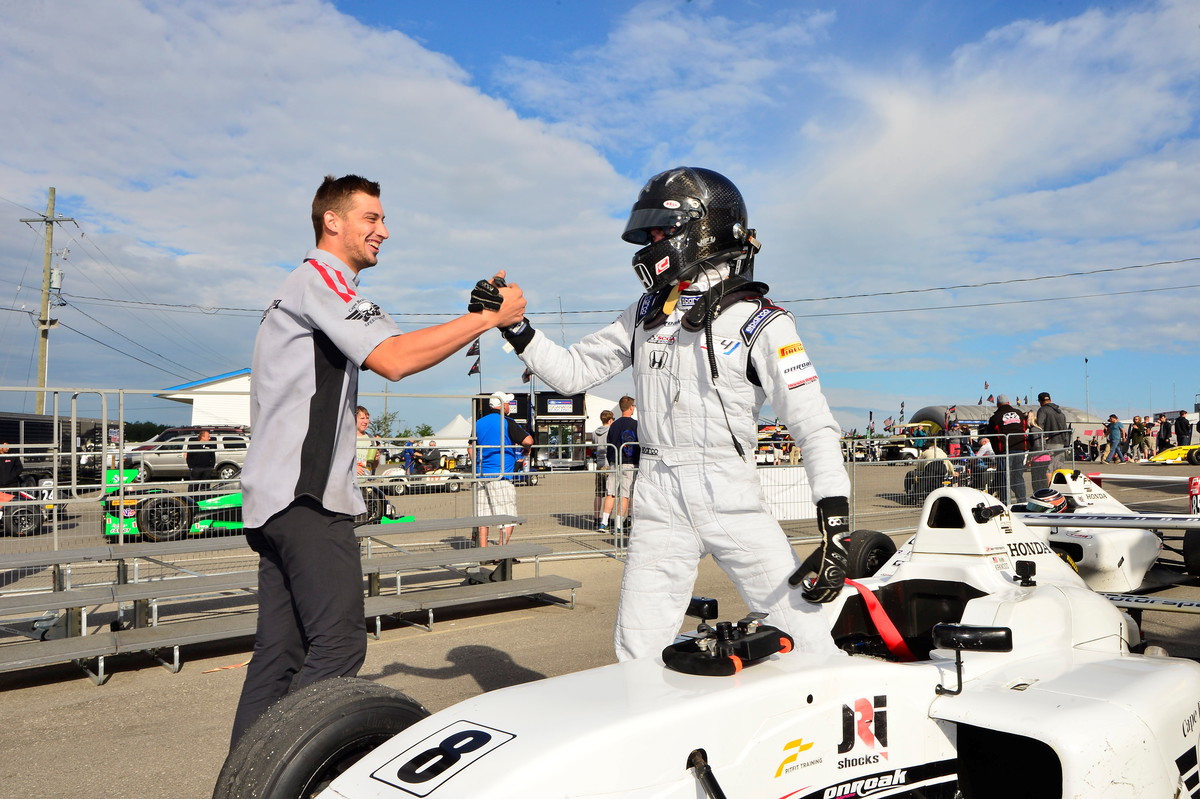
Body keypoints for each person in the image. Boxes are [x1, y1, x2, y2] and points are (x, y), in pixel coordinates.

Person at [499, 166, 852, 661]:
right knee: (638, 647)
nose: (652, 244)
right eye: (649, 235)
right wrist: (517, 329)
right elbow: (573, 372)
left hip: (729, 491)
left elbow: (812, 423)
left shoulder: (761, 321)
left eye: (661, 232)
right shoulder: (645, 313)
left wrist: (836, 522)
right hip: (658, 493)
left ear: (703, 229)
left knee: (808, 634)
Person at [228, 174, 525, 748]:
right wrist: (489, 319)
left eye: (383, 219)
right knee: (340, 646)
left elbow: (398, 349)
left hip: (275, 499)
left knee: (280, 654)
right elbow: (394, 357)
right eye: (371, 218)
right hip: (307, 496)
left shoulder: (300, 286)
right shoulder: (322, 280)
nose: (384, 230)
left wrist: (472, 316)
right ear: (331, 221)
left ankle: (247, 779)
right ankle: (286, 768)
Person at [474, 391, 533, 546]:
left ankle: (483, 551)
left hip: (481, 474)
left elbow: (470, 448)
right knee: (508, 516)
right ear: (501, 405)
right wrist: (526, 449)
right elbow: (528, 440)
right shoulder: (507, 421)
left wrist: (478, 464)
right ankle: (501, 552)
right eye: (507, 403)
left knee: (483, 517)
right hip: (501, 475)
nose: (509, 405)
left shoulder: (479, 423)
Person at [599, 396, 638, 533]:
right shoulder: (635, 424)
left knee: (611, 493)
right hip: (629, 462)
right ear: (631, 407)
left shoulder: (613, 425)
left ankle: (604, 522)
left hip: (614, 462)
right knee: (625, 495)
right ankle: (618, 525)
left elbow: (609, 443)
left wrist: (611, 460)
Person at [987, 395, 1028, 505]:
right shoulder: (1019, 413)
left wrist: (997, 451)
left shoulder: (995, 417)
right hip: (1020, 448)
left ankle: (1006, 503)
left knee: (1004, 477)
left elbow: (991, 435)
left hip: (1004, 450)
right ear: (1009, 402)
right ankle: (1022, 501)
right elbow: (1024, 428)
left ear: (997, 404)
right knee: (1018, 476)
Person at [1035, 392, 1071, 472]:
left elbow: (1039, 426)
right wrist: (1066, 443)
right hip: (1061, 443)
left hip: (1048, 443)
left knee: (1048, 469)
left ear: (1040, 401)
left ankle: (1048, 481)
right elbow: (1065, 429)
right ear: (1050, 400)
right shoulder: (1060, 412)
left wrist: (1041, 439)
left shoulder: (1042, 410)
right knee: (1058, 469)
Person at [593, 409, 614, 522]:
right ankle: (607, 518)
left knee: (598, 493)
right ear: (610, 420)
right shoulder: (611, 431)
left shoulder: (595, 432)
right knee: (610, 493)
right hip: (609, 463)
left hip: (599, 463)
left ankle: (596, 518)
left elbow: (593, 446)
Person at [354, 406, 378, 476]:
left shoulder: (371, 439)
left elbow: (373, 466)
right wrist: (353, 467)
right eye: (362, 418)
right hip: (349, 481)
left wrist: (376, 459)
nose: (365, 421)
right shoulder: (346, 437)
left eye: (367, 418)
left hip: (366, 481)